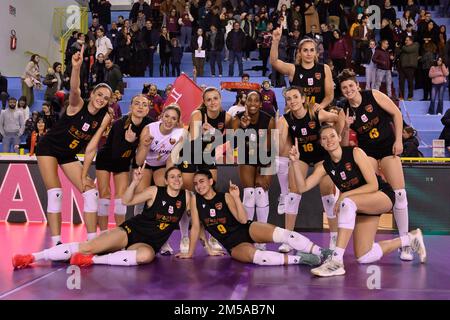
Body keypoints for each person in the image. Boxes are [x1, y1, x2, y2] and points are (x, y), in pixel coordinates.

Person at [292, 125, 426, 277]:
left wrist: (344, 195)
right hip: (362, 205)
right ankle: (410, 239)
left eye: (332, 136)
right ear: (321, 144)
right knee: (364, 256)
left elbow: (373, 185)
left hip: (382, 195)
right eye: (324, 138)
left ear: (339, 138)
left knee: (346, 203)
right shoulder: (326, 166)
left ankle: (336, 261)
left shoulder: (355, 152)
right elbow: (302, 187)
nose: (329, 140)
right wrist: (296, 163)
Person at [12, 167, 193, 269]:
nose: (176, 179)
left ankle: (91, 260)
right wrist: (135, 183)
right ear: (166, 181)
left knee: (146, 256)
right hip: (130, 232)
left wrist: (198, 248)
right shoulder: (155, 191)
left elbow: (196, 223)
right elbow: (128, 200)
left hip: (148, 243)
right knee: (88, 246)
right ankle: (31, 257)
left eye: (178, 176)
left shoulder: (186, 197)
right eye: (172, 177)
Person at [35, 45, 113, 246]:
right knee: (56, 192)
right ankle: (57, 243)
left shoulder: (104, 117)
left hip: (69, 155)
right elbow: (76, 89)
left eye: (106, 98)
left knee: (90, 192)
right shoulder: (78, 104)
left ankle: (92, 242)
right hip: (49, 149)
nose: (101, 100)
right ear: (93, 93)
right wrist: (76, 68)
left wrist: (84, 174)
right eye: (99, 95)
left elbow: (90, 148)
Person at [176, 169, 330, 267]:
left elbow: (243, 220)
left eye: (202, 181)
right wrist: (199, 251)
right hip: (233, 244)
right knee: (259, 258)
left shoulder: (226, 197)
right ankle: (302, 259)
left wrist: (236, 198)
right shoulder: (196, 200)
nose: (199, 186)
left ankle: (322, 252)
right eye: (196, 183)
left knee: (285, 234)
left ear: (210, 181)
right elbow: (196, 227)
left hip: (246, 229)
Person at [338, 69, 413, 261]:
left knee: (400, 193)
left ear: (357, 85)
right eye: (344, 88)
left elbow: (396, 113)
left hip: (388, 147)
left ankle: (405, 242)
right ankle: (369, 236)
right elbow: (344, 145)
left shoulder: (373, 95)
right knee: (371, 192)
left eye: (351, 86)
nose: (348, 90)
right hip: (368, 152)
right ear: (341, 90)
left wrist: (399, 140)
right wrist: (346, 126)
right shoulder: (344, 110)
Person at [270, 31, 336, 246]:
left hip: (317, 122)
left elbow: (329, 96)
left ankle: (335, 238)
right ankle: (287, 231)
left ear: (316, 53)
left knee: (327, 189)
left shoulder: (323, 69)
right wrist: (276, 40)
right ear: (299, 53)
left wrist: (320, 108)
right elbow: (274, 61)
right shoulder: (292, 69)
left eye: (312, 50)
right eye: (305, 50)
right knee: (282, 149)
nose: (308, 53)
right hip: (296, 122)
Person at [276, 87, 344, 253]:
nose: (292, 101)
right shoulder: (285, 120)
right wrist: (282, 143)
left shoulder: (316, 114)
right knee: (293, 193)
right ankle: (288, 237)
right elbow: (278, 146)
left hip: (322, 157)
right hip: (302, 157)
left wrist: (337, 138)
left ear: (303, 99)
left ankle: (334, 236)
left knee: (327, 194)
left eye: (295, 97)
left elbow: (339, 117)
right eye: (289, 99)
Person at [179, 87, 232, 252]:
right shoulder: (198, 115)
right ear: (204, 102)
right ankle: (185, 237)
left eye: (215, 98)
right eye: (208, 99)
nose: (212, 102)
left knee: (211, 192)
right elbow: (194, 143)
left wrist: (219, 144)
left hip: (207, 154)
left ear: (220, 99)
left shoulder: (227, 117)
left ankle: (213, 234)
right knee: (189, 195)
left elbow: (232, 138)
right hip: (189, 153)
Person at [133, 105, 184, 254]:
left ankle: (162, 240)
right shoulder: (150, 129)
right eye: (167, 116)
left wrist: (169, 180)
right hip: (145, 163)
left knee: (164, 195)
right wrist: (145, 146)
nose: (169, 120)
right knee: (141, 196)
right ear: (161, 116)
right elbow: (138, 160)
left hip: (163, 165)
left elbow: (171, 161)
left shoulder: (180, 134)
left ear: (177, 121)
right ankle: (137, 235)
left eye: (174, 118)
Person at [95, 95, 151, 231]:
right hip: (106, 159)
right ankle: (103, 234)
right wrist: (129, 142)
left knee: (121, 198)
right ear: (130, 107)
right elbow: (115, 153)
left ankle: (120, 233)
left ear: (148, 110)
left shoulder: (149, 124)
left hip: (124, 161)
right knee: (105, 196)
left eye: (144, 104)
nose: (140, 106)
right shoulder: (120, 124)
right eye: (137, 103)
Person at [231, 91, 275, 251]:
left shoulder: (269, 119)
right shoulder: (238, 117)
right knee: (249, 193)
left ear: (261, 104)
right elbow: (232, 140)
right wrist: (243, 128)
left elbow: (270, 147)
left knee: (261, 192)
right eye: (250, 100)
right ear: (245, 102)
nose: (253, 103)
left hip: (265, 156)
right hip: (246, 154)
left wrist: (261, 170)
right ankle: (248, 234)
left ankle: (262, 238)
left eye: (256, 100)